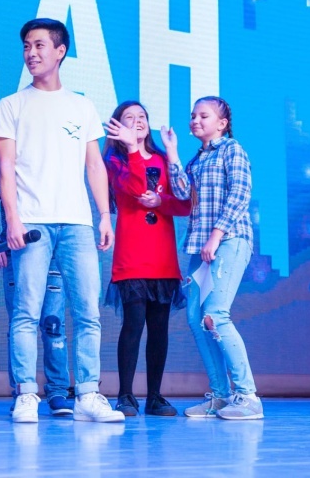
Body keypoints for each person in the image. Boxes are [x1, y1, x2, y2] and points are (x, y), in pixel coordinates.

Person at [0, 18, 123, 423]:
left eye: (39, 45)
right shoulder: (11, 105)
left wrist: (104, 215)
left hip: (77, 224)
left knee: (87, 313)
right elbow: (5, 168)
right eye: (26, 46)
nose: (31, 53)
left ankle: (88, 395)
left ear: (60, 51)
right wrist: (12, 219)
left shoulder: (82, 106)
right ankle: (26, 394)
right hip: (33, 222)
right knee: (26, 312)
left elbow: (95, 166)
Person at [161, 96, 262, 420]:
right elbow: (182, 193)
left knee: (215, 315)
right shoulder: (197, 160)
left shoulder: (232, 149)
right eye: (193, 115)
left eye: (203, 115)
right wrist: (172, 152)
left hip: (228, 240)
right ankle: (220, 396)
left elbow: (240, 194)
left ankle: (248, 397)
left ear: (222, 123)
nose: (195, 120)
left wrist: (216, 235)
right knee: (195, 319)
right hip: (201, 248)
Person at [102, 101, 191, 417]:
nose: (137, 121)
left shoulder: (163, 159)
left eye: (142, 116)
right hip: (132, 254)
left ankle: (155, 396)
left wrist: (161, 201)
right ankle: (125, 395)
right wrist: (132, 149)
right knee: (133, 325)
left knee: (159, 328)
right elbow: (135, 187)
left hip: (163, 256)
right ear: (118, 126)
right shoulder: (114, 160)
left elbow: (185, 204)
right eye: (129, 117)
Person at [0, 167, 74, 415]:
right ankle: (22, 392)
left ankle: (58, 392)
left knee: (53, 324)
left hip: (53, 255)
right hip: (17, 253)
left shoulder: (56, 164)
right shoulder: (5, 168)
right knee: (21, 324)